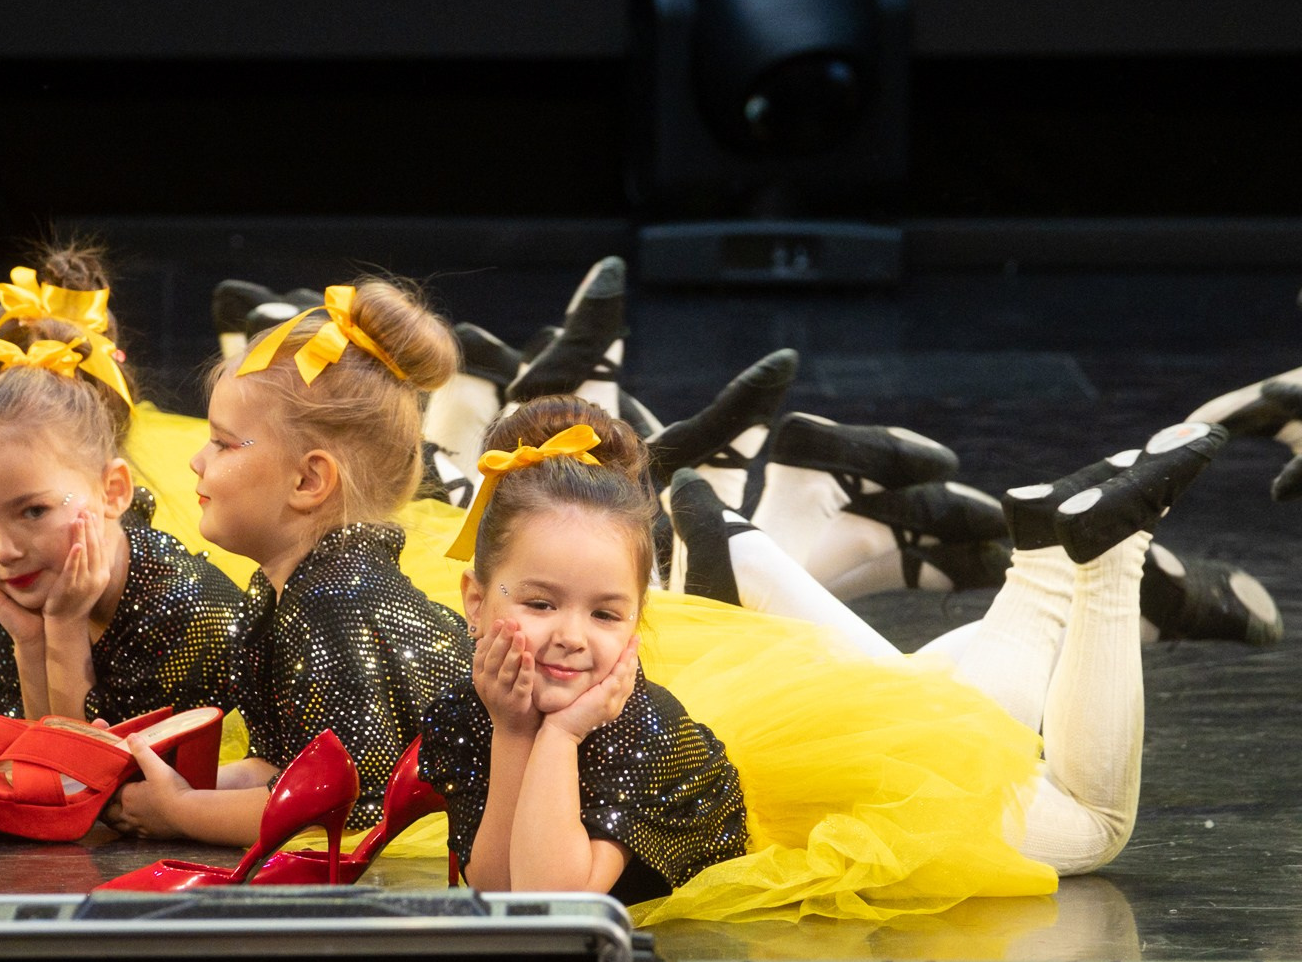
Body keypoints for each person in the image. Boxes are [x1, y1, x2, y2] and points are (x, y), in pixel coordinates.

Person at [423, 394, 1224, 922]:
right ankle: (1048, 563)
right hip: (816, 761)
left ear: (643, 614)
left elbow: (549, 901)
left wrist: (555, 737)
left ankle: (1113, 554)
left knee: (1096, 825)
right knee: (955, 708)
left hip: (845, 818)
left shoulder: (641, 730)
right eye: (538, 604)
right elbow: (496, 889)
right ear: (475, 600)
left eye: (605, 612)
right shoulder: (482, 706)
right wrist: (515, 730)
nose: (570, 633)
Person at [105, 278, 474, 842]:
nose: (196, 463)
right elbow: (282, 769)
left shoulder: (334, 605)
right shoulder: (291, 592)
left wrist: (180, 812)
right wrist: (163, 787)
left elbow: (344, 808)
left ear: (308, 479)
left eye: (224, 444)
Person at [0, 313, 247, 826]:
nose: (3, 550)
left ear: (113, 491)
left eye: (33, 512)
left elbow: (77, 797)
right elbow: (34, 767)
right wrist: (30, 641)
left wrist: (63, 631)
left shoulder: (181, 607)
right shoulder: (45, 582)